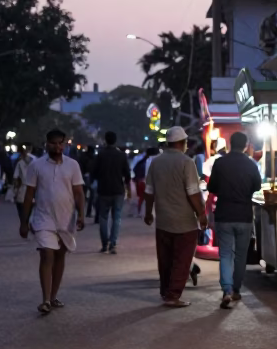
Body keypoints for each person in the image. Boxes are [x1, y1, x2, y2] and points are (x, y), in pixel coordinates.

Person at [20, 128, 85, 315]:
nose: (57, 146)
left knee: (60, 256)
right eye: (53, 143)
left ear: (64, 144)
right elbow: (29, 194)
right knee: (47, 254)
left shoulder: (73, 165)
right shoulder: (36, 166)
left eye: (60, 143)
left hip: (66, 219)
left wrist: (81, 214)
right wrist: (23, 222)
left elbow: (79, 192)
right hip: (43, 218)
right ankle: (46, 299)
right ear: (46, 144)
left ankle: (53, 296)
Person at [144, 127, 207, 308]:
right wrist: (201, 214)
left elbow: (149, 191)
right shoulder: (186, 162)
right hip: (184, 221)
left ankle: (165, 291)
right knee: (182, 259)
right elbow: (193, 192)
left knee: (165, 259)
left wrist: (149, 212)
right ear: (182, 142)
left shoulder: (156, 162)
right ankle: (173, 295)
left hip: (163, 219)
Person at [207, 131, 261, 310]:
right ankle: (236, 289)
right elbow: (257, 186)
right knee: (240, 255)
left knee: (225, 254)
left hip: (224, 214)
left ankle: (227, 290)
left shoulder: (220, 163)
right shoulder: (251, 164)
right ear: (245, 145)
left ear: (230, 144)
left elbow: (212, 187)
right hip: (244, 215)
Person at [93, 130, 131, 253]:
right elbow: (127, 175)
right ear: (115, 141)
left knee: (103, 217)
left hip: (103, 190)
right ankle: (113, 243)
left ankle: (105, 243)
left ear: (105, 140)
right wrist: (129, 189)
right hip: (118, 190)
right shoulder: (121, 155)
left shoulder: (100, 154)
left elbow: (94, 172)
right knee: (117, 217)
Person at [11, 145, 36, 223]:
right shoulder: (36, 162)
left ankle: (24, 221)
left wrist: (15, 189)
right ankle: (27, 221)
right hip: (33, 189)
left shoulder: (20, 163)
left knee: (21, 206)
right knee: (30, 206)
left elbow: (15, 177)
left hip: (23, 188)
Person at [79, 144, 98, 218]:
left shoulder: (82, 157)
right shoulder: (93, 158)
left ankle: (81, 212)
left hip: (83, 177)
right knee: (92, 196)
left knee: (82, 196)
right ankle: (89, 212)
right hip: (90, 177)